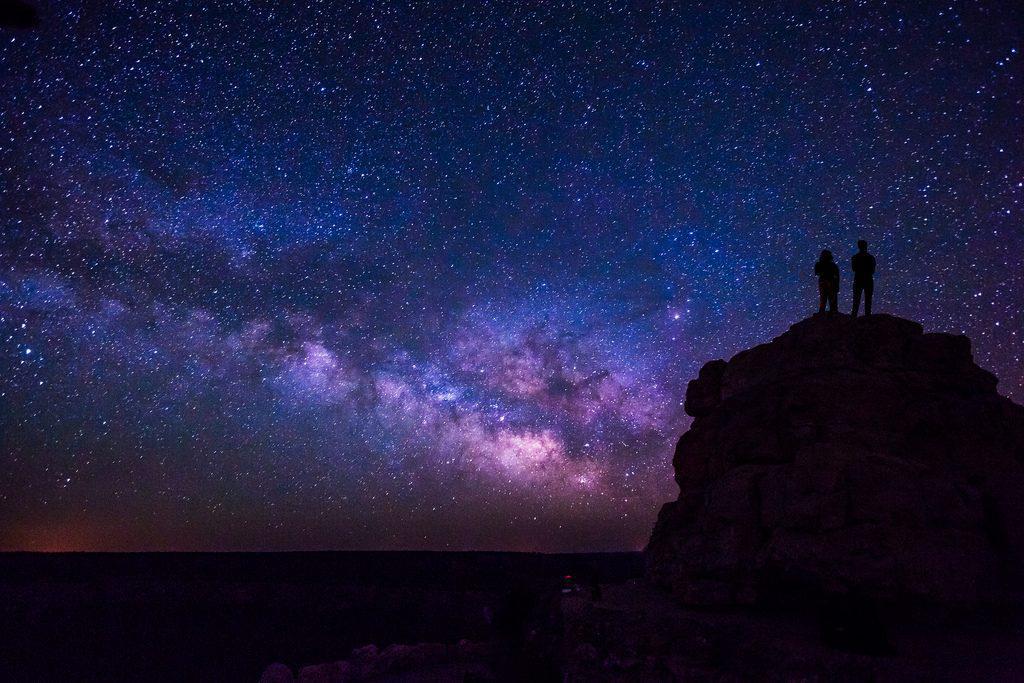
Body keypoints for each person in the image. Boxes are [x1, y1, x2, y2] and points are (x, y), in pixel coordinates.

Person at [851, 239, 876, 316]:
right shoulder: (871, 257)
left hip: (858, 279)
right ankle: (867, 317)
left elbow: (853, 269)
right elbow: (873, 270)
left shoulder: (855, 257)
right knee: (868, 300)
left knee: (856, 300)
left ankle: (853, 317)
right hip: (868, 280)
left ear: (859, 246)